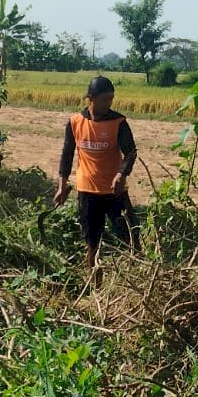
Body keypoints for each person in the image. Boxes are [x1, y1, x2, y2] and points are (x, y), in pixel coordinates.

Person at [54, 75, 138, 280]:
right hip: (87, 191)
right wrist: (62, 185)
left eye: (111, 99)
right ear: (90, 98)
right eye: (104, 99)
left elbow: (131, 152)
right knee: (92, 240)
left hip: (114, 190)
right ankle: (94, 281)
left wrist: (121, 174)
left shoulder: (118, 122)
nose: (109, 103)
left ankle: (138, 274)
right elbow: (67, 154)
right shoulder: (75, 122)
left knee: (132, 234)